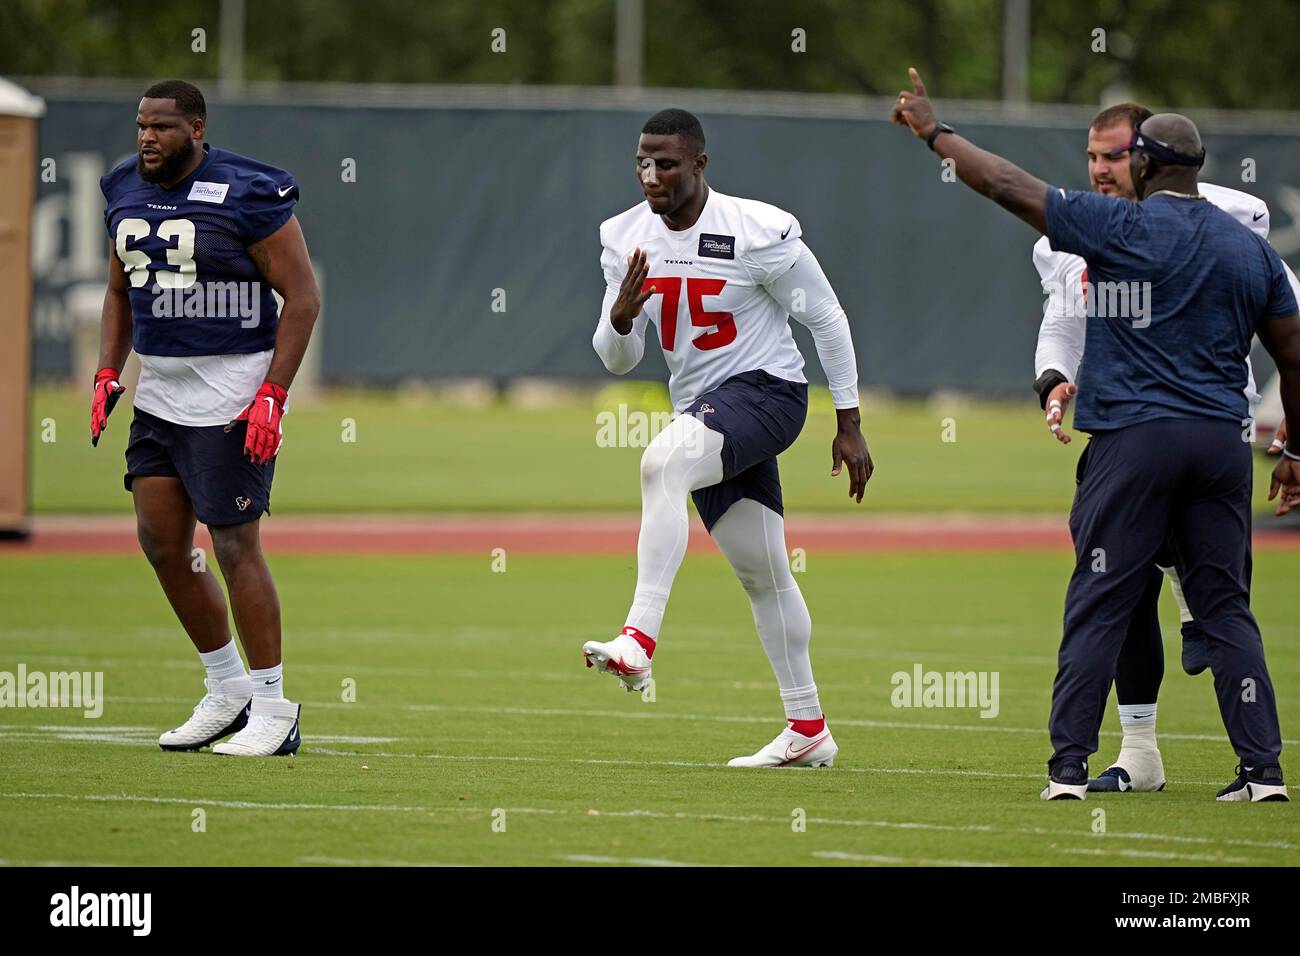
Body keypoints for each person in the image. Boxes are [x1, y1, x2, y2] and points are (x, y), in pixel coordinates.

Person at [892, 68, 1300, 801]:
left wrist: (935, 133)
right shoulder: (1250, 248)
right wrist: (1296, 447)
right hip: (1218, 442)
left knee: (1100, 599)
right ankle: (1263, 771)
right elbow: (1293, 351)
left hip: (1134, 439)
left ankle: (1068, 768)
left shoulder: (1119, 224)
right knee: (1227, 608)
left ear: (1141, 164)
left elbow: (1009, 185)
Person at [586, 108, 873, 767]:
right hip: (704, 409)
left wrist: (849, 422)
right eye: (641, 163)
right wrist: (623, 319)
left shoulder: (754, 231)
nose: (650, 176)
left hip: (769, 395)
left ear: (699, 165)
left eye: (665, 163)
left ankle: (639, 638)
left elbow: (826, 318)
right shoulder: (624, 236)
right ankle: (808, 729)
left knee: (661, 463)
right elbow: (617, 359)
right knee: (764, 573)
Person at [1030, 101, 1298, 793]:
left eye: (1115, 156)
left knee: (1114, 590)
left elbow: (1284, 309)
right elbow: (1063, 322)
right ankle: (1158, 753)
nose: (1100, 169)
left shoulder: (1233, 215)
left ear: (1146, 159)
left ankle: (1069, 764)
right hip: (1191, 438)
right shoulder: (1076, 230)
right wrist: (1055, 379)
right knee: (1141, 595)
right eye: (1091, 157)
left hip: (1163, 430)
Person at [92, 80, 320, 756]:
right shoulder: (123, 188)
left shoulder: (250, 190)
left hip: (232, 388)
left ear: (196, 128)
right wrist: (109, 370)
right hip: (160, 391)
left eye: (160, 127)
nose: (146, 139)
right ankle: (227, 689)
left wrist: (273, 394)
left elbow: (302, 298)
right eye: (140, 125)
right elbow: (118, 289)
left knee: (232, 545)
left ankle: (275, 709)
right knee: (163, 542)